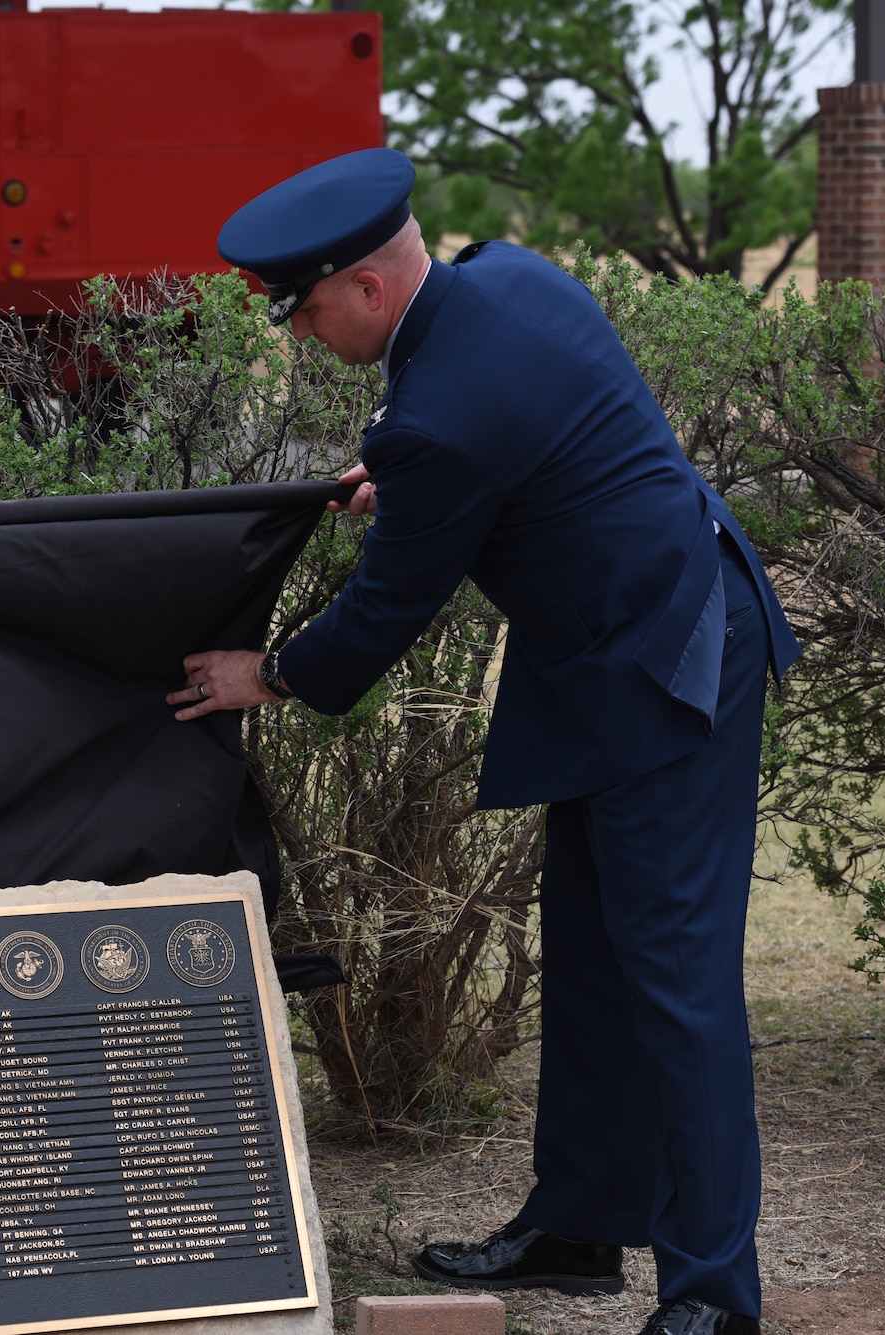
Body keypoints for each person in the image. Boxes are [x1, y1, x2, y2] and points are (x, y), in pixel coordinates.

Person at [172, 149, 800, 1335]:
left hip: (667, 666)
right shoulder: (511, 278)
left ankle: (715, 1298)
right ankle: (575, 1227)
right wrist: (405, 472)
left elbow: (382, 612)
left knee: (677, 991)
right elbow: (519, 425)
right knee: (592, 961)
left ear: (362, 285)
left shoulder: (441, 422)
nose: (297, 336)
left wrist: (268, 672)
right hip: (610, 654)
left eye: (302, 310)